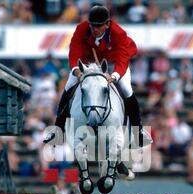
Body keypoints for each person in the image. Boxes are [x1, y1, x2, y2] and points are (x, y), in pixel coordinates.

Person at [44, 5, 152, 147]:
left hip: (115, 64)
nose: (95, 29)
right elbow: (74, 53)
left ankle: (138, 132)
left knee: (126, 89)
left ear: (107, 24)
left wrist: (113, 77)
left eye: (99, 26)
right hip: (88, 64)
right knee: (68, 86)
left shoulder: (118, 33)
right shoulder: (81, 29)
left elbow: (122, 59)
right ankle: (58, 130)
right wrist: (78, 72)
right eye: (92, 25)